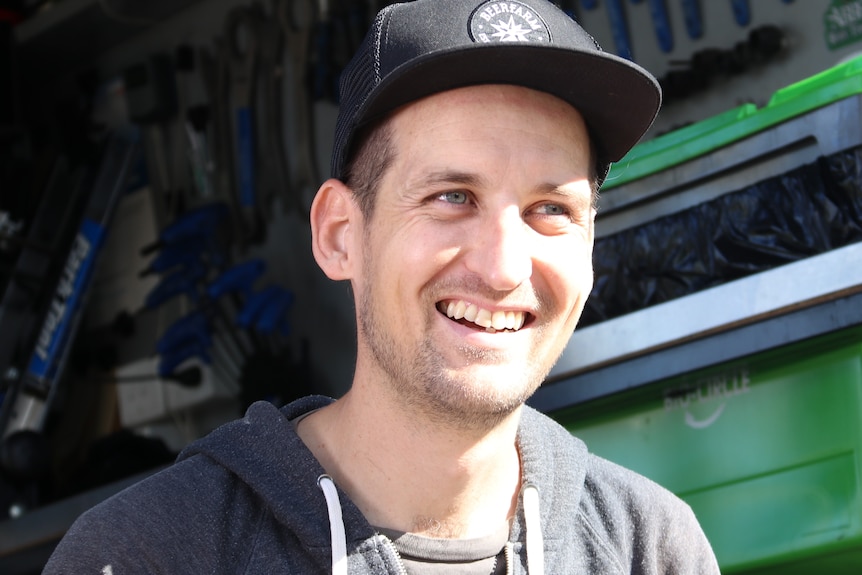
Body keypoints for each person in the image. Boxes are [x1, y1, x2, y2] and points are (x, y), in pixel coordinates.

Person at [45, 0, 721, 573]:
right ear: (341, 232)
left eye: (553, 210)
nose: (505, 267)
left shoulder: (649, 546)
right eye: (453, 195)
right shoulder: (150, 554)